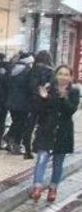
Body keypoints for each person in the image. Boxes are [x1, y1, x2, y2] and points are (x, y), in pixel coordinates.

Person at [30, 65, 79, 202]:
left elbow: (71, 110)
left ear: (70, 77)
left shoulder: (74, 92)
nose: (63, 77)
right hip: (46, 129)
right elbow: (39, 110)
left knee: (58, 162)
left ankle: (53, 189)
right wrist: (43, 98)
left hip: (63, 131)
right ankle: (37, 187)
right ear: (56, 75)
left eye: (66, 74)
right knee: (42, 159)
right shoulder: (48, 88)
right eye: (60, 74)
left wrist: (64, 98)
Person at [21, 51, 55, 159]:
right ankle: (39, 146)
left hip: (30, 102)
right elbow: (52, 88)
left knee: (29, 126)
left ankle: (27, 150)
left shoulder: (30, 71)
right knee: (43, 125)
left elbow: (26, 87)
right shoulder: (50, 72)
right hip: (44, 103)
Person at [4, 53, 33, 154]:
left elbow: (7, 84)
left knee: (16, 122)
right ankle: (14, 143)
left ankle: (9, 141)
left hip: (11, 101)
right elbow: (30, 87)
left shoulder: (12, 69)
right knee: (21, 123)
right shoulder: (28, 71)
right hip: (23, 103)